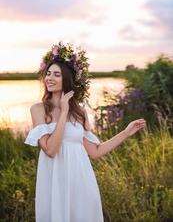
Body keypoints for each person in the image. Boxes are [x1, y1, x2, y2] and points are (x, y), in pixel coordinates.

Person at [25, 41, 146, 222]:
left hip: (81, 180)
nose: (49, 78)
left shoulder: (80, 112)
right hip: (54, 182)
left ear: (67, 79)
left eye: (56, 74)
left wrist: (126, 133)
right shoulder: (38, 109)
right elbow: (50, 150)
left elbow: (95, 152)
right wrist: (64, 111)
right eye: (48, 73)